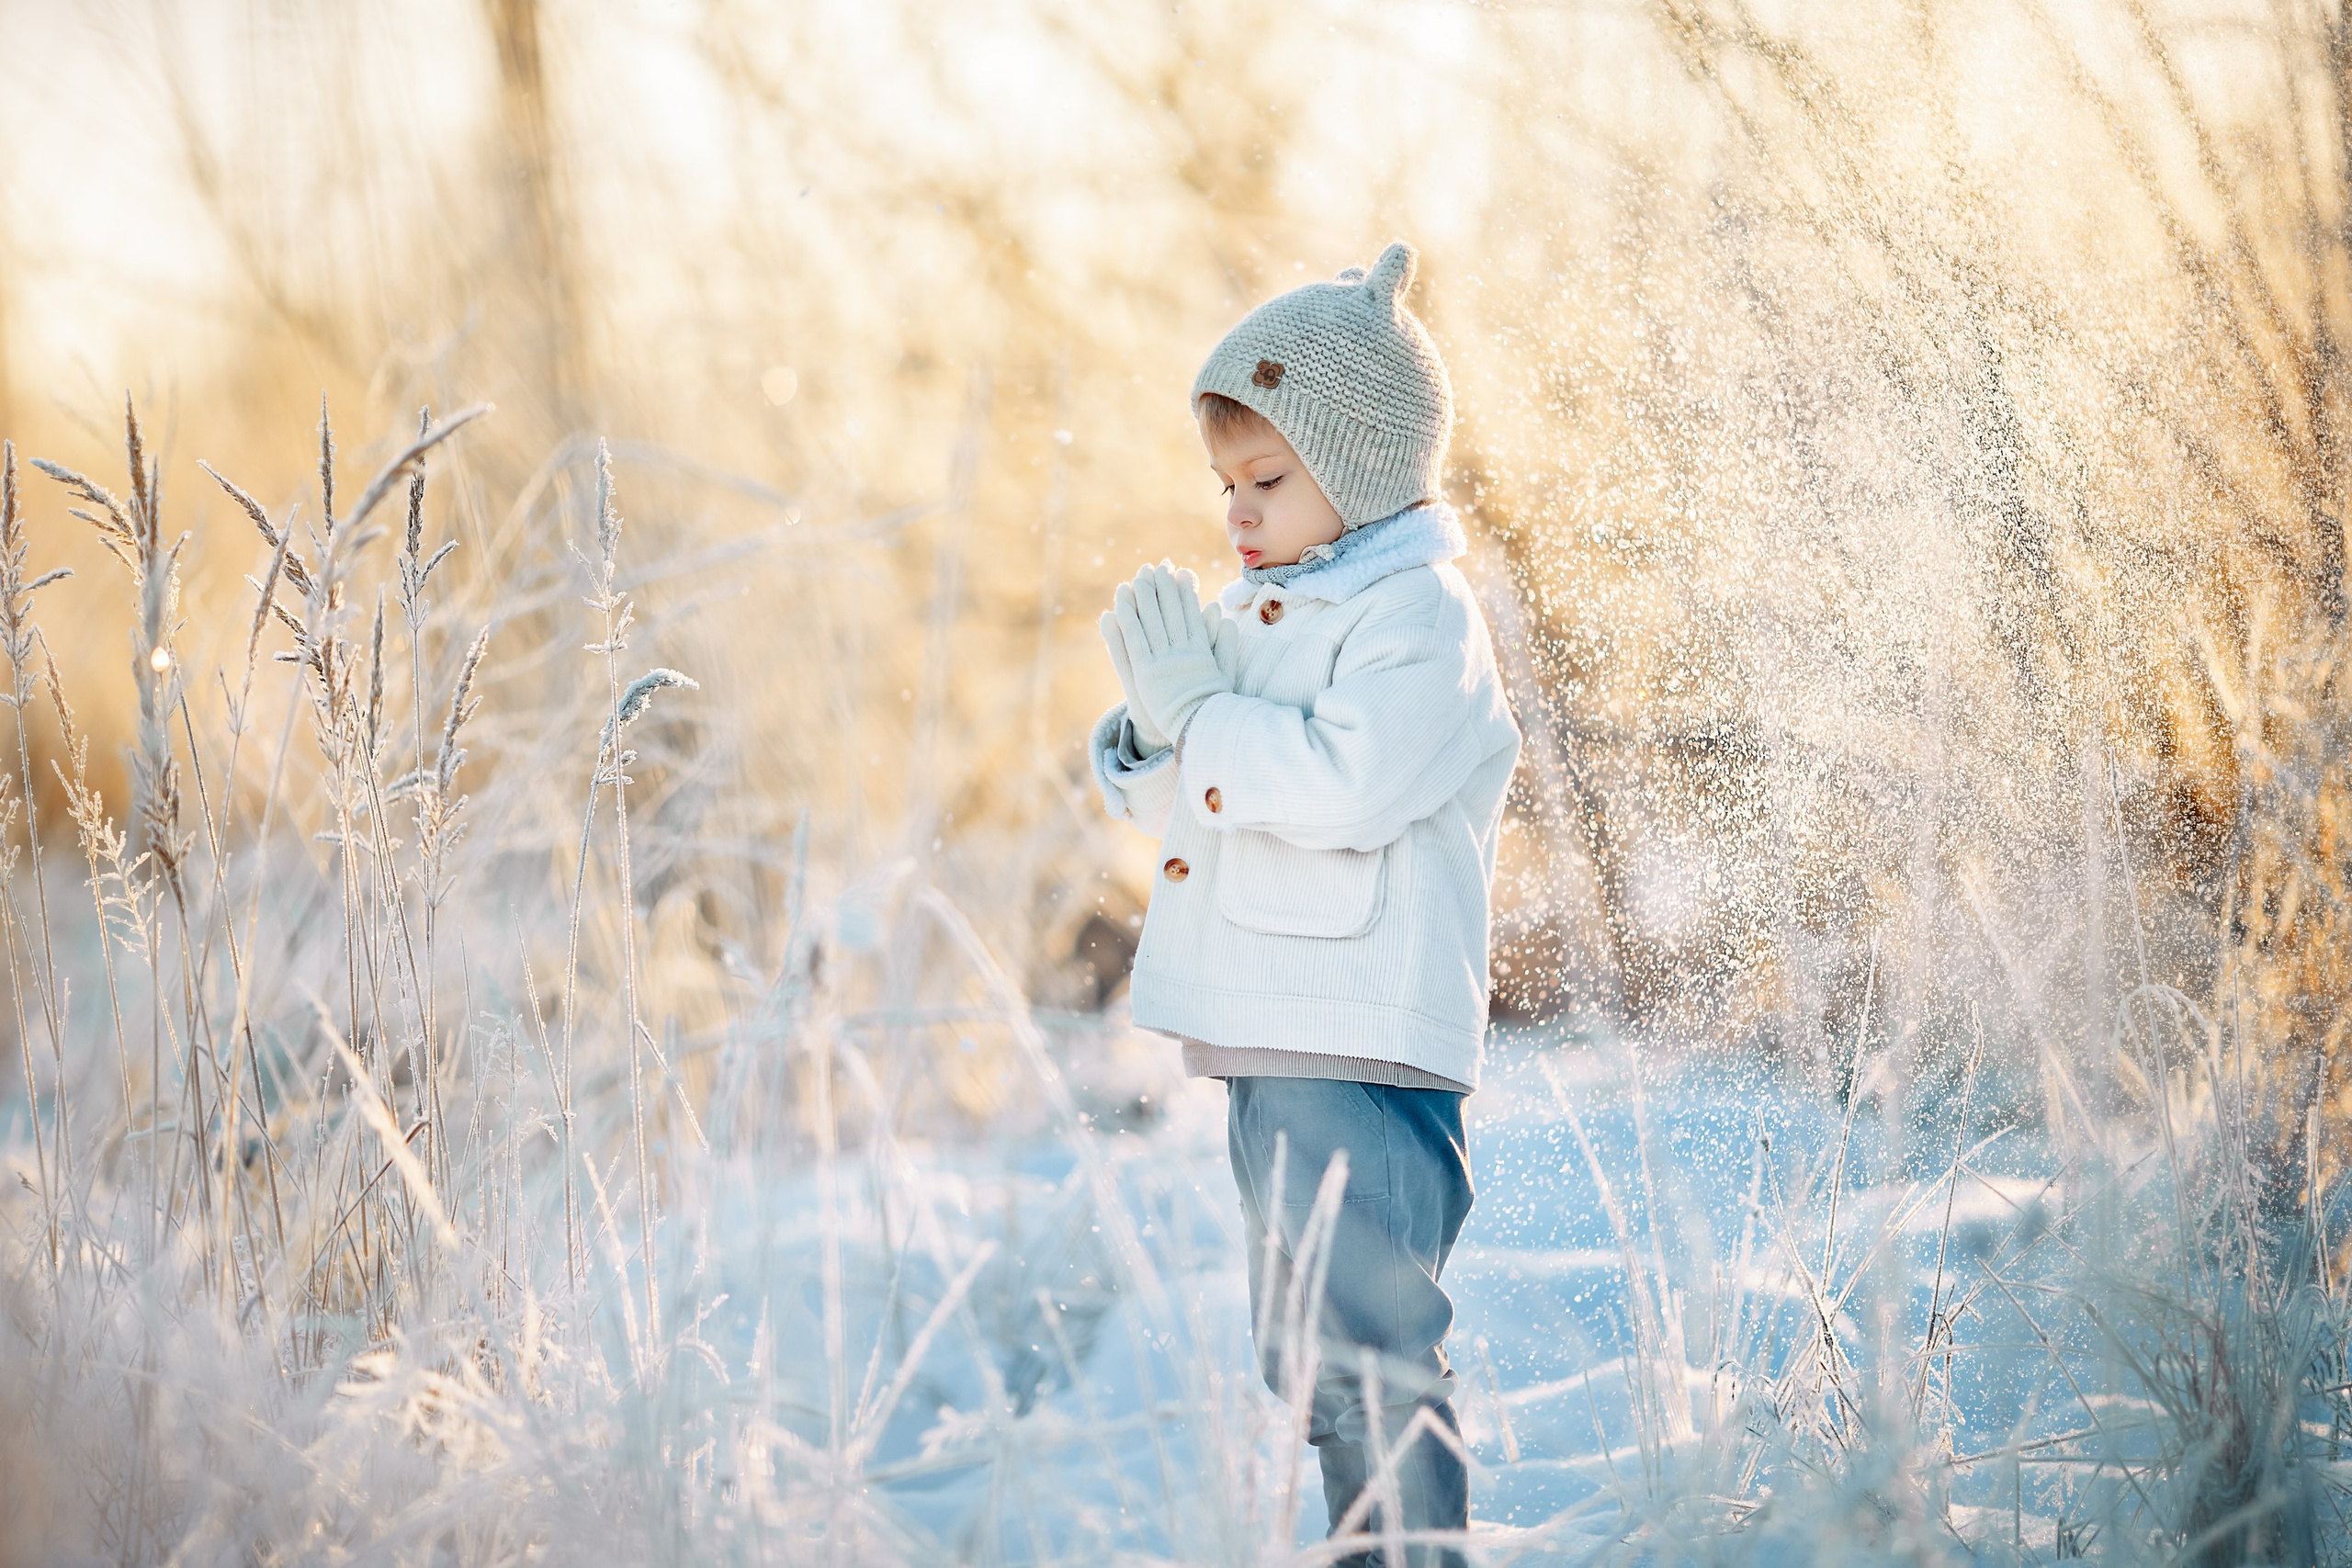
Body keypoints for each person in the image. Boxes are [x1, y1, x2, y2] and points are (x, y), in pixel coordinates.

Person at [1089, 240, 1521, 1567]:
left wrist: (1207, 719)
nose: (1236, 512)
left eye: (1266, 480)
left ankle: (1410, 1555)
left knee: (1370, 1346)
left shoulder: (1415, 619)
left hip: (1359, 1037)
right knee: (1312, 1357)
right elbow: (1204, 810)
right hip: (1275, 1034)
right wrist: (1152, 738)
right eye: (1226, 484)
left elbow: (1341, 789)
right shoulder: (1273, 609)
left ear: (1368, 465)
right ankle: (1370, 1549)